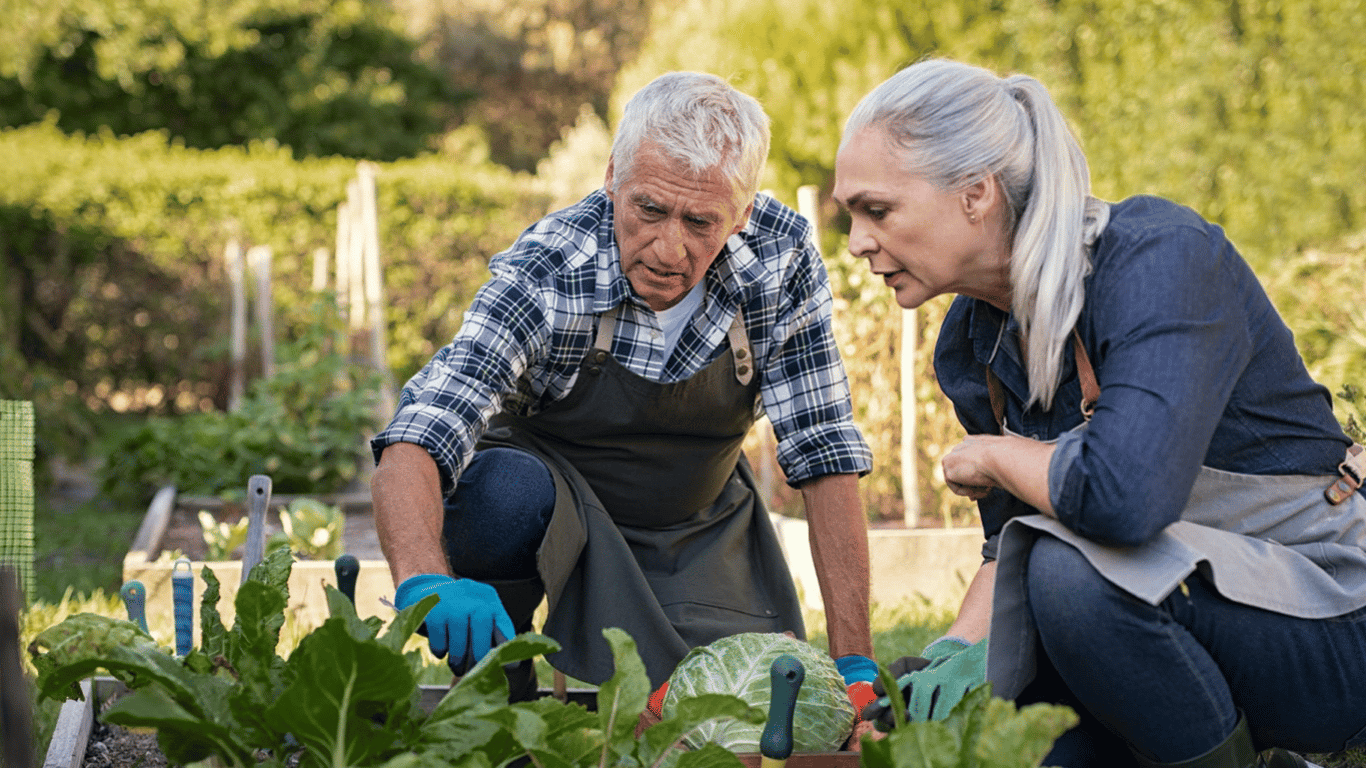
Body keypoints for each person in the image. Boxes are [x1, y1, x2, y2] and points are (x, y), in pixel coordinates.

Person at [833, 58, 1366, 766]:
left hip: (1326, 614)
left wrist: (994, 454)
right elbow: (1009, 546)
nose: (858, 242)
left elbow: (1125, 497)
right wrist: (951, 657)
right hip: (1165, 619)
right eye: (852, 216)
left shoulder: (1161, 261)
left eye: (878, 209)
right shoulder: (971, 344)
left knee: (1067, 578)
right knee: (1014, 716)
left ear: (974, 194)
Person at [369, 71, 878, 707]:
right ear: (613, 177)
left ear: (743, 213)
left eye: (700, 221)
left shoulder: (781, 258)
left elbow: (823, 449)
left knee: (726, 711)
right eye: (649, 209)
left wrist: (855, 659)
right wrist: (424, 578)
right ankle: (498, 681)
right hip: (556, 507)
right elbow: (422, 430)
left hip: (697, 516)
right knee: (501, 493)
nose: (669, 248)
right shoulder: (552, 269)